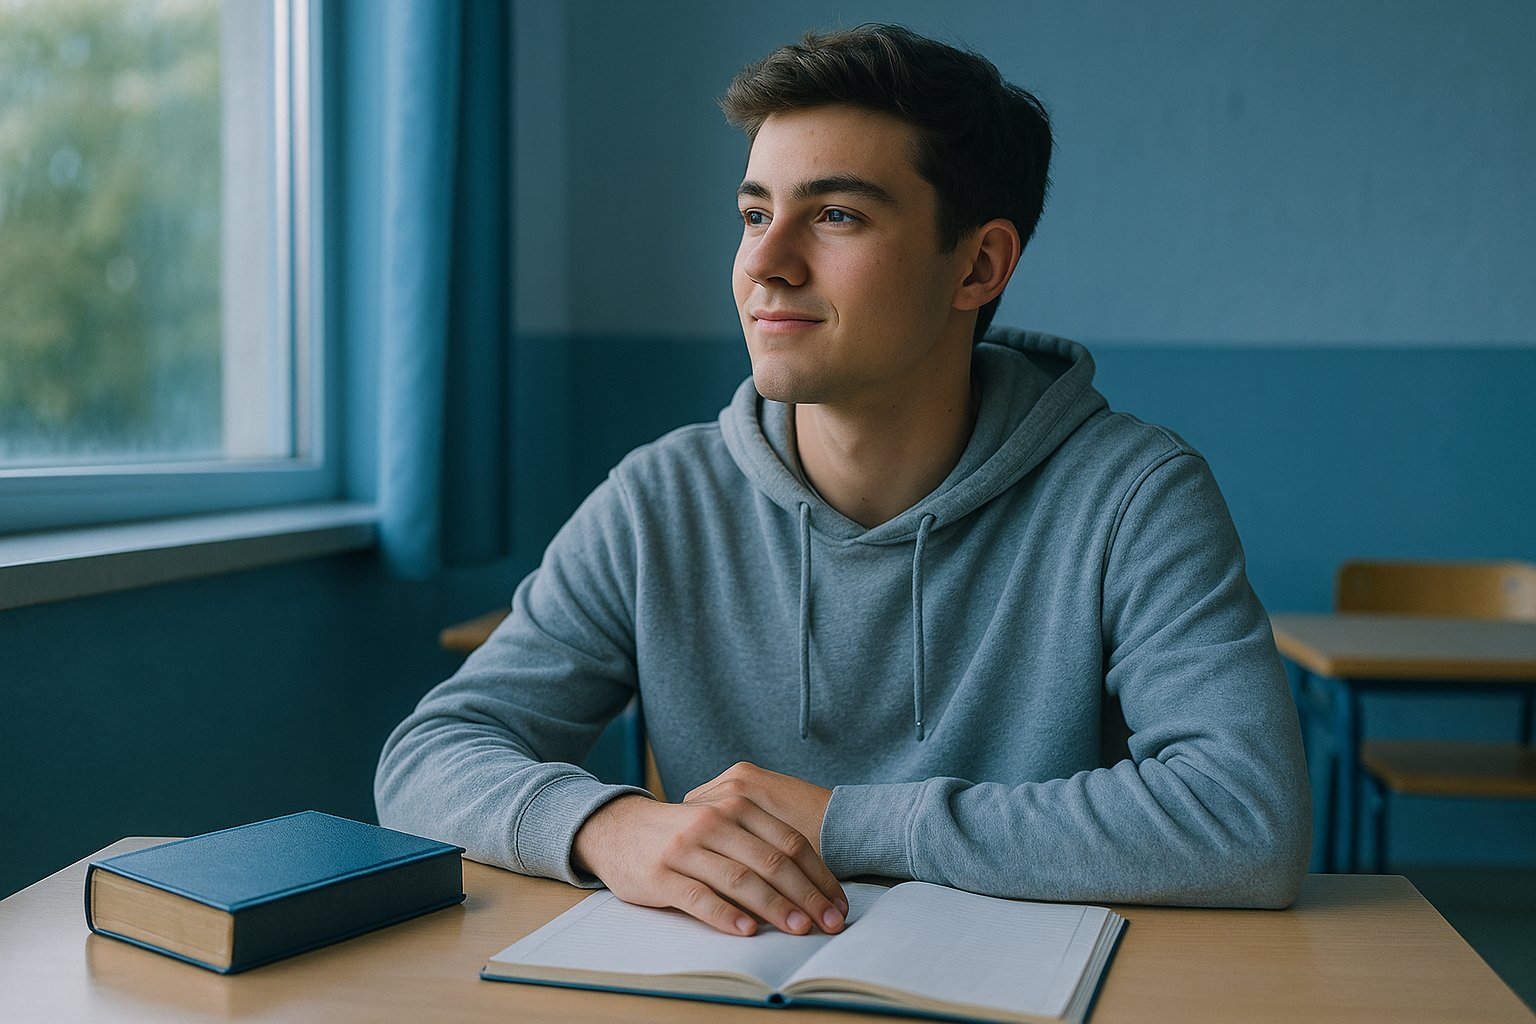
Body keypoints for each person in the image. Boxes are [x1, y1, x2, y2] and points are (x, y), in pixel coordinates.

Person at [375, 23, 1310, 940]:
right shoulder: (658, 500)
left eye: (835, 215)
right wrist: (606, 826)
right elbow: (424, 762)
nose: (764, 262)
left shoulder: (1134, 496)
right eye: (753, 213)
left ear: (979, 265)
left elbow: (1244, 819)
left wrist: (837, 822)